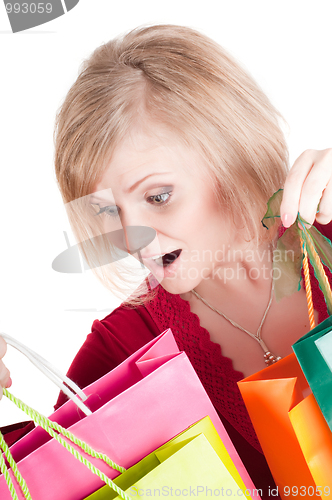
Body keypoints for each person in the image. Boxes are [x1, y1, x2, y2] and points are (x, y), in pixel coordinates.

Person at [1, 25, 332, 496]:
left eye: (158, 196)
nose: (132, 236)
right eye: (107, 211)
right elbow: (38, 481)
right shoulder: (125, 353)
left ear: (233, 154)